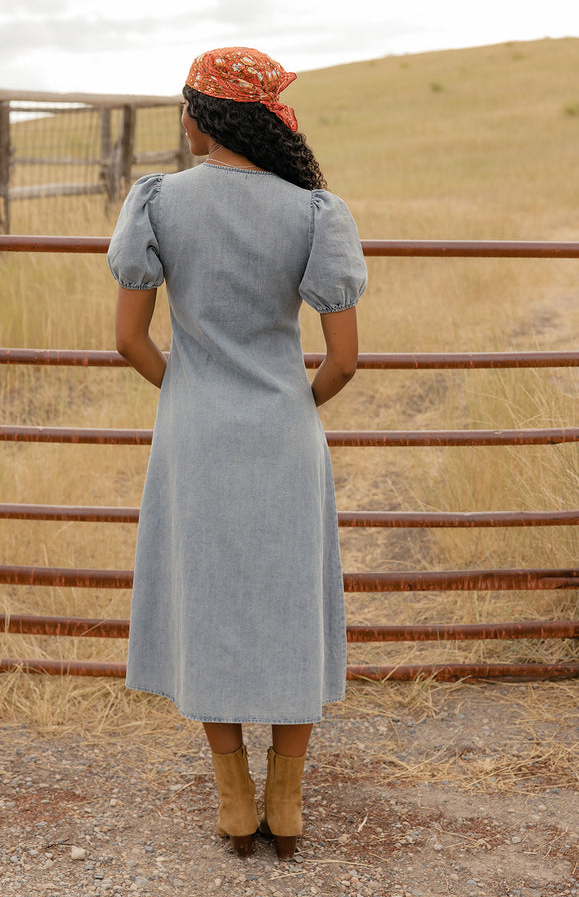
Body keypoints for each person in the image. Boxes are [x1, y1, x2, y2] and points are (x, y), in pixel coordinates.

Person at [107, 46, 367, 860]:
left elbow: (128, 340)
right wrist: (290, 407)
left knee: (207, 597)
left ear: (201, 116)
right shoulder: (314, 211)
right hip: (285, 437)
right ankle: (284, 804)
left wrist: (193, 394)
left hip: (196, 436)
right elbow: (344, 360)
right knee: (291, 600)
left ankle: (232, 798)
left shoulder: (158, 201)